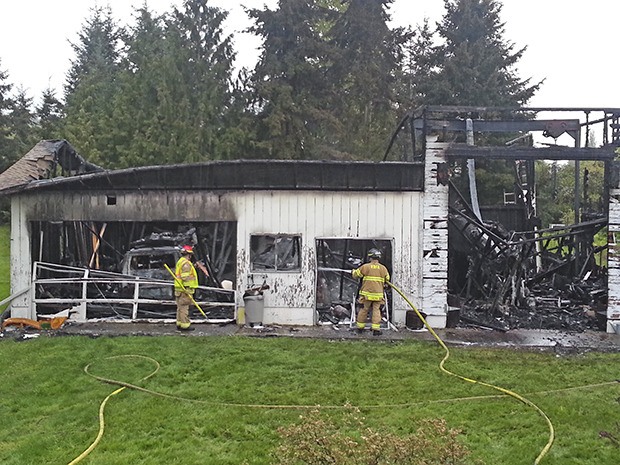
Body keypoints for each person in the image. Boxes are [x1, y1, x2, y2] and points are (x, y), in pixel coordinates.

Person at [352, 248, 390, 336]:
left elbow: (356, 275)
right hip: (378, 295)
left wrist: (353, 272)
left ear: (370, 257)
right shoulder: (383, 268)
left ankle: (360, 328)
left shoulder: (365, 267)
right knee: (376, 311)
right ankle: (376, 329)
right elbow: (387, 279)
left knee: (363, 310)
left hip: (366, 295)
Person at [174, 245, 209, 331]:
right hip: (185, 289)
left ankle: (179, 323)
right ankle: (185, 326)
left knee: (180, 308)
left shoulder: (180, 261)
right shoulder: (186, 264)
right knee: (184, 308)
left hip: (179, 289)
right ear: (189, 255)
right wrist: (187, 288)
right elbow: (185, 277)